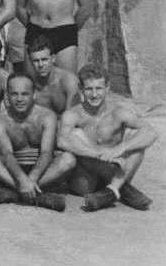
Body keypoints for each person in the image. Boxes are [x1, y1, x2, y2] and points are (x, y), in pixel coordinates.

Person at [58, 64, 158, 212]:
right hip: (87, 181)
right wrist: (99, 154)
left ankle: (111, 191)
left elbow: (151, 132)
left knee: (137, 144)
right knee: (75, 134)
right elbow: (62, 141)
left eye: (98, 89)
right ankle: (122, 189)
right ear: (81, 89)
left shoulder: (118, 112)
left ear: (107, 88)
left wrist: (120, 148)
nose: (94, 94)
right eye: (89, 89)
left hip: (115, 172)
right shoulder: (73, 114)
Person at [0, 72, 75, 211]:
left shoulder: (46, 116)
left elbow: (46, 153)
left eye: (25, 94)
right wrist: (22, 179)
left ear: (34, 95)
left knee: (68, 159)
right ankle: (35, 195)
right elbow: (7, 154)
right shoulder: (0, 120)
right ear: (7, 96)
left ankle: (18, 193)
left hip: (43, 171)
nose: (19, 99)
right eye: (14, 94)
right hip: (13, 171)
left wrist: (31, 179)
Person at [26, 35, 80, 115]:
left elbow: (71, 118)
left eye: (44, 59)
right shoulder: (29, 84)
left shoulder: (69, 81)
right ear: (30, 62)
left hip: (67, 125)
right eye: (36, 61)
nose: (40, 65)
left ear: (53, 58)